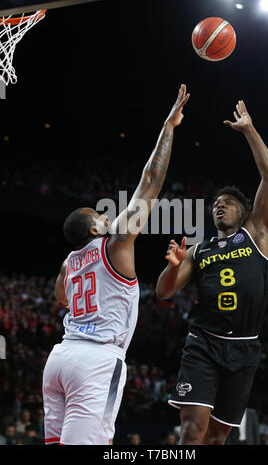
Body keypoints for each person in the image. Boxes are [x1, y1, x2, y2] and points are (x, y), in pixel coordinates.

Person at [42, 84, 190, 445]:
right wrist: (168, 127)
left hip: (59, 359)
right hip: (96, 362)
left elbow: (61, 299)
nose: (107, 217)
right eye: (100, 215)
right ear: (95, 228)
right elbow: (150, 184)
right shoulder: (115, 243)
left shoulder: (68, 263)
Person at [156, 100, 268, 445]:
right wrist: (173, 267)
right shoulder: (199, 249)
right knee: (192, 430)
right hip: (203, 344)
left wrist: (250, 131)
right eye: (215, 204)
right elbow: (164, 293)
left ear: (245, 211)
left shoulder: (256, 233)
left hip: (244, 348)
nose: (219, 205)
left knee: (217, 437)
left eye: (227, 202)